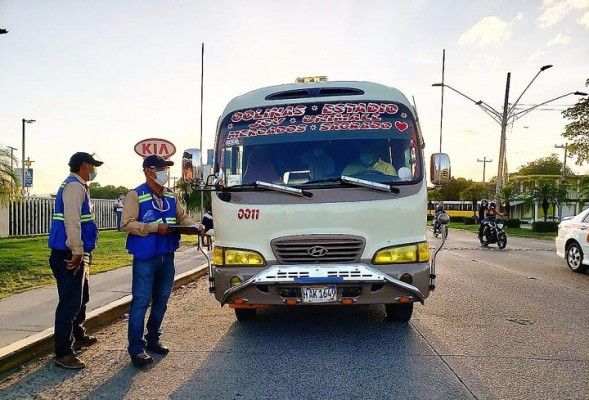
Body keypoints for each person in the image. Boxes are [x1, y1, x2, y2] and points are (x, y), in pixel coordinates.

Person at [122, 155, 204, 368]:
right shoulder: (135, 195)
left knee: (162, 300)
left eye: (165, 169)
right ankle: (136, 349)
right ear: (148, 171)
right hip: (145, 257)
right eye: (160, 168)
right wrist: (153, 228)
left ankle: (153, 339)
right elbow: (126, 224)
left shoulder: (170, 195)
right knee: (141, 301)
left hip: (166, 255)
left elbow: (182, 218)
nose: (164, 173)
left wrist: (194, 227)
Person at [48, 152, 102, 369]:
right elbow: (72, 221)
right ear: (84, 166)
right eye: (93, 166)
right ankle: (63, 352)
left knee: (81, 297)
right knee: (70, 302)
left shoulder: (79, 186)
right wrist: (77, 250)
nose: (94, 170)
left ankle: (78, 333)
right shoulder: (73, 187)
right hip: (69, 253)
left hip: (77, 251)